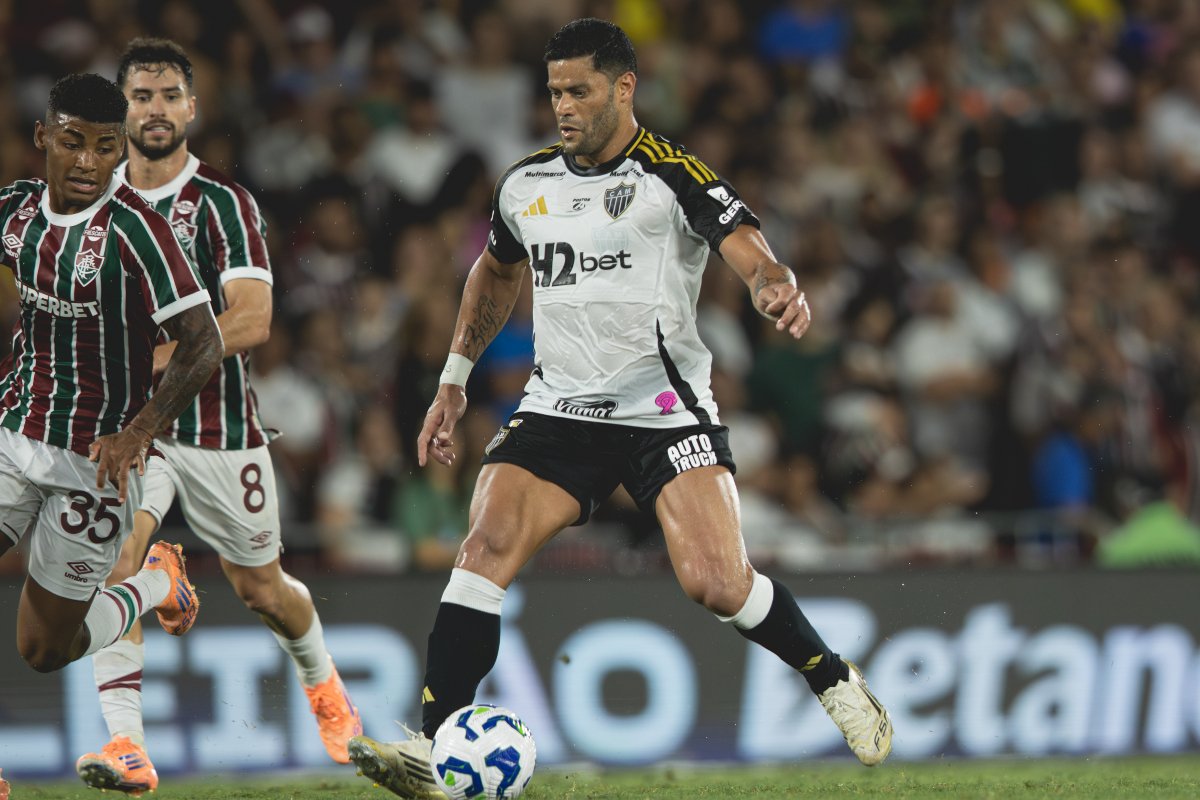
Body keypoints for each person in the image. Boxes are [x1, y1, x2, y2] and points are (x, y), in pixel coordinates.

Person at [348, 19, 893, 798]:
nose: (563, 107)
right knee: (484, 547)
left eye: (579, 90)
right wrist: (454, 377)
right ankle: (435, 753)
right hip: (559, 407)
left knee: (716, 582)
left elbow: (744, 242)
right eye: (554, 92)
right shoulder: (525, 185)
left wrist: (774, 283)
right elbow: (494, 275)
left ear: (624, 88)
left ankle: (832, 675)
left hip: (663, 408)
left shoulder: (672, 174)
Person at [72, 39, 361, 796]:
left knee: (264, 588)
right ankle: (127, 746)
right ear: (121, 108)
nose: (156, 109)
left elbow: (255, 318)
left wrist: (157, 356)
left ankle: (323, 684)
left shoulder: (222, 204)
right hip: (129, 430)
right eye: (142, 96)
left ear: (192, 108)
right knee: (114, 562)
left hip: (221, 431)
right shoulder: (91, 205)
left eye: (170, 95)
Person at [0, 74, 221, 694]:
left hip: (95, 463)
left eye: (105, 147)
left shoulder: (138, 231)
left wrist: (138, 433)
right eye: (72, 142)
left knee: (44, 649)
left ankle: (156, 582)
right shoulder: (13, 211)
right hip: (14, 435)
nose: (87, 162)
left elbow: (205, 342)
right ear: (43, 136)